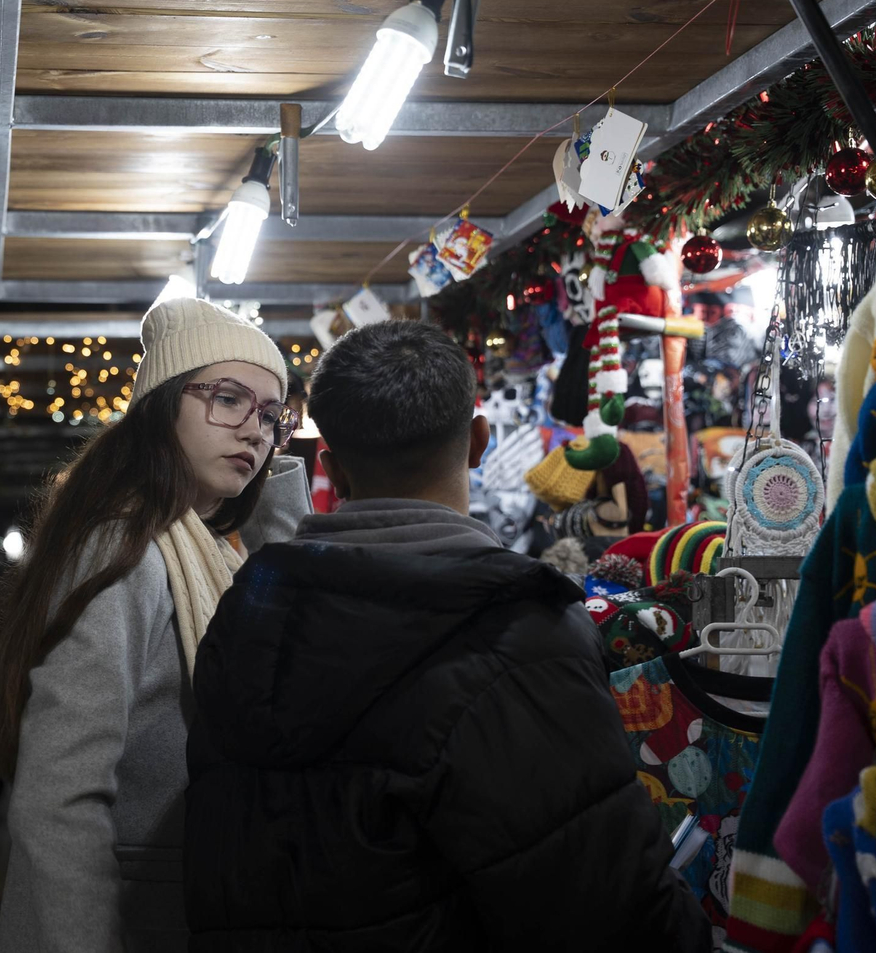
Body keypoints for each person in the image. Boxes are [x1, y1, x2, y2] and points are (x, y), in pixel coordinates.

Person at [183, 320, 710, 952]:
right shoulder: (518, 629)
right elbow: (606, 908)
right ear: (480, 441)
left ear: (332, 468)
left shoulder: (247, 607)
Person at [0, 298, 311, 952]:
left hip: (188, 902)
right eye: (227, 399)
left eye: (271, 415)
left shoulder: (213, 544)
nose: (254, 430)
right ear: (161, 407)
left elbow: (291, 593)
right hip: (138, 914)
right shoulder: (124, 549)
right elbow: (61, 796)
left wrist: (268, 465)